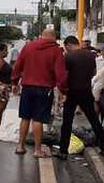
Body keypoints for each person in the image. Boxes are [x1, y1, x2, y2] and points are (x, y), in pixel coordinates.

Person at [11, 29, 67, 158]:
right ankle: (37, 150)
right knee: (38, 119)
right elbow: (61, 74)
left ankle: (20, 146)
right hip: (44, 89)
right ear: (54, 38)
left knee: (25, 117)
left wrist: (14, 82)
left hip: (27, 87)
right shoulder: (56, 51)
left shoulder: (28, 47)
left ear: (42, 36)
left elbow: (18, 66)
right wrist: (63, 90)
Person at [60, 36, 104, 159]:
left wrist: (63, 91)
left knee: (67, 122)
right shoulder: (90, 56)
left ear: (68, 45)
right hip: (86, 91)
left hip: (72, 92)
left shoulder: (69, 57)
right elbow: (93, 72)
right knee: (94, 119)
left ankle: (63, 151)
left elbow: (64, 76)